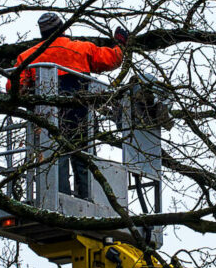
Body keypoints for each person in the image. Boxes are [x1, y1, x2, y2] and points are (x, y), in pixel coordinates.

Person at [8, 12, 129, 199]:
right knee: (84, 159)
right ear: (62, 28)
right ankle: (87, 198)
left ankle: (59, 198)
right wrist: (120, 43)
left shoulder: (28, 56)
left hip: (47, 120)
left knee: (56, 159)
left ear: (42, 34)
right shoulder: (81, 48)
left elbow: (14, 89)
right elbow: (112, 59)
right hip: (81, 117)